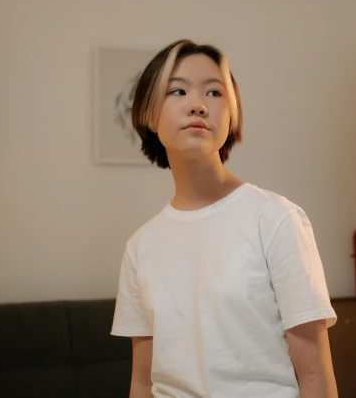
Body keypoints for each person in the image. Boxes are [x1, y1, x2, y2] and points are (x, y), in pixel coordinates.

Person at [111, 39, 339, 398]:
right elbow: (142, 380)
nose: (198, 105)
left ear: (231, 116)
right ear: (150, 115)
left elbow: (315, 377)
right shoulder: (140, 248)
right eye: (178, 91)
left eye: (214, 93)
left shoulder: (277, 220)